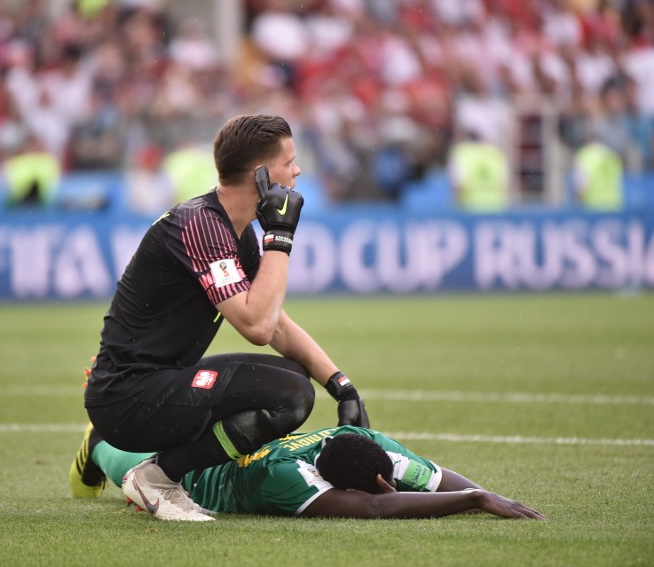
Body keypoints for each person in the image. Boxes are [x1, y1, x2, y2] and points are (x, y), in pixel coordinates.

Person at [77, 114, 370, 522]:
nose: (298, 170)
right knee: (289, 394)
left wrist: (341, 386)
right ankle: (158, 477)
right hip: (129, 396)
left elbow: (276, 323)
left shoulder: (232, 229)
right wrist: (280, 237)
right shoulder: (201, 225)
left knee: (290, 384)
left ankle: (120, 457)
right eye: (290, 161)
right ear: (262, 175)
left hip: (155, 383)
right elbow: (257, 327)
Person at [71, 423, 545, 521]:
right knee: (118, 460)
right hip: (190, 478)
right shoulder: (286, 478)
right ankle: (95, 442)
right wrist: (475, 501)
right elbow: (377, 506)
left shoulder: (362, 442)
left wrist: (489, 491)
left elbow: (432, 477)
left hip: (211, 447)